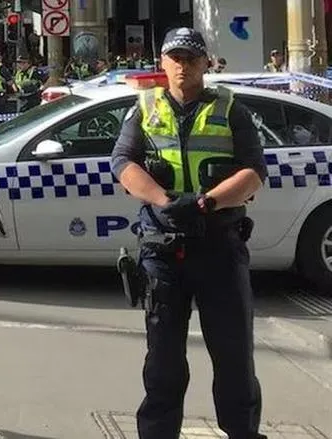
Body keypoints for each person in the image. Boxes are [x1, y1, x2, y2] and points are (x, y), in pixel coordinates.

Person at [110, 27, 268, 439]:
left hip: (218, 245)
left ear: (205, 63)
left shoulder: (230, 109)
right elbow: (123, 164)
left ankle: (243, 433)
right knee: (163, 361)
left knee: (234, 358)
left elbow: (254, 172)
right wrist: (164, 201)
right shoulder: (144, 108)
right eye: (175, 58)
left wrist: (206, 204)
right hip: (163, 250)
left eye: (191, 58)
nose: (183, 66)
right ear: (162, 63)